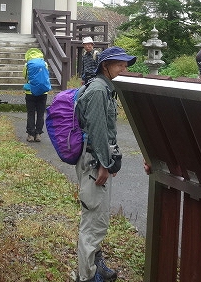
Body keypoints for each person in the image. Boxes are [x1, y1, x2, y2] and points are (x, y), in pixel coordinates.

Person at [75, 46, 136, 282]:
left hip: (96, 160)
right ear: (105, 66)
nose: (124, 69)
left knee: (97, 217)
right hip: (93, 163)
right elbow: (98, 131)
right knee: (93, 221)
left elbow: (106, 132)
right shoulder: (99, 90)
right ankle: (87, 276)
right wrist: (103, 164)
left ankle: (95, 264)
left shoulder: (105, 88)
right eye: (120, 64)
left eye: (125, 65)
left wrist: (111, 161)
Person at [23, 48, 51, 142]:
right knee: (40, 113)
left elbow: (25, 76)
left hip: (30, 92)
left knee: (31, 113)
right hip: (43, 92)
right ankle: (38, 134)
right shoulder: (45, 64)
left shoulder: (27, 64)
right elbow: (46, 76)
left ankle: (30, 134)